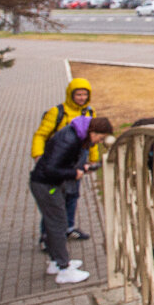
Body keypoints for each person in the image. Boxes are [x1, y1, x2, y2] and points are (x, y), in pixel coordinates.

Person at [30, 116, 113, 284]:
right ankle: (63, 269)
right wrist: (73, 174)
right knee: (58, 224)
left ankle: (55, 261)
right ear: (93, 131)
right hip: (47, 186)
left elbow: (61, 162)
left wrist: (82, 168)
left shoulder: (75, 135)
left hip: (48, 184)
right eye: (100, 137)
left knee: (53, 223)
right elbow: (50, 169)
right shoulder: (70, 140)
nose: (98, 142)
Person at [31, 78, 98, 246]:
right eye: (78, 94)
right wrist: (38, 155)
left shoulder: (89, 112)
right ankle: (46, 236)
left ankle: (68, 227)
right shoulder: (57, 112)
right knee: (55, 199)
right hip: (59, 160)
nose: (82, 98)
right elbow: (40, 134)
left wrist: (93, 159)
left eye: (85, 94)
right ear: (71, 94)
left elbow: (93, 138)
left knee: (72, 195)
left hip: (77, 160)